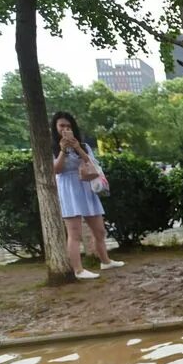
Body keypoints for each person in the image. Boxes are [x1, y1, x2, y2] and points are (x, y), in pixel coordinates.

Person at [51, 112, 123, 280]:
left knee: (99, 229)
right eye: (62, 126)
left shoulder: (83, 145)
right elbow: (56, 170)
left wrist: (77, 148)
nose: (65, 129)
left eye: (68, 126)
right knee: (74, 232)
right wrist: (63, 150)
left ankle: (105, 261)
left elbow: (92, 164)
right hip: (68, 188)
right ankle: (78, 270)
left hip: (86, 186)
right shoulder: (52, 147)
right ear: (55, 128)